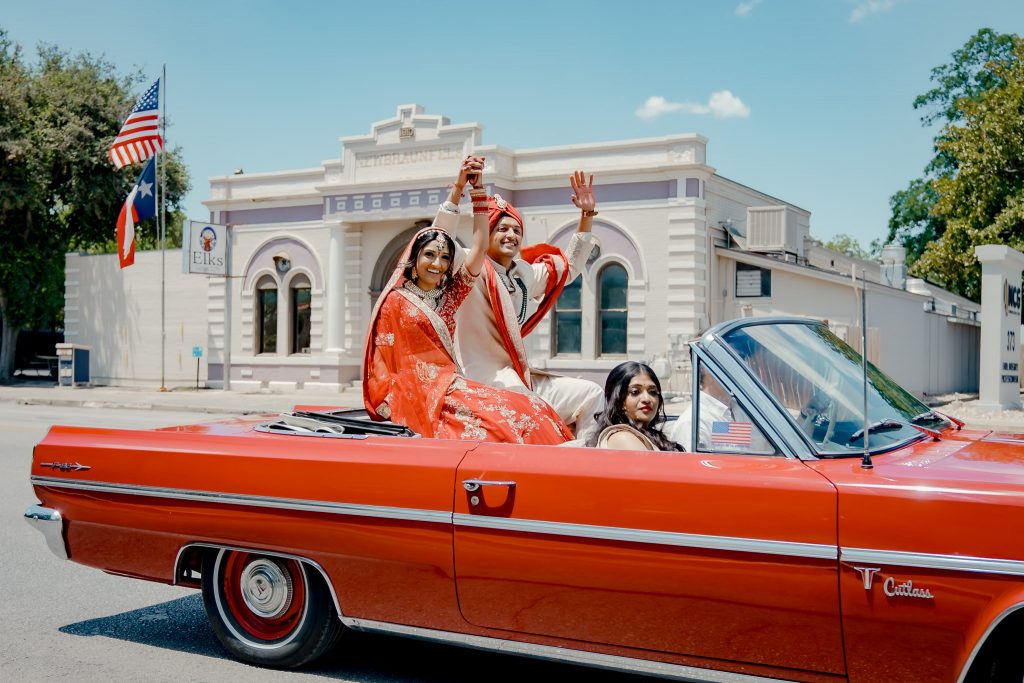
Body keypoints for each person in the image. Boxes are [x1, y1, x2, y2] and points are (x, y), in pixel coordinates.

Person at [363, 157, 571, 445]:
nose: (437, 263)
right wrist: (456, 190)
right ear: (413, 259)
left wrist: (478, 192)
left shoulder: (451, 295)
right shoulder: (395, 301)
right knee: (504, 421)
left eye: (445, 257)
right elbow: (382, 360)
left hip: (452, 385)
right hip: (416, 395)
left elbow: (480, 246)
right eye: (430, 255)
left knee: (530, 408)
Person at [433, 170, 605, 441]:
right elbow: (438, 240)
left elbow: (568, 268)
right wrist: (456, 192)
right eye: (502, 228)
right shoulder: (467, 264)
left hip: (518, 375)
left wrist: (587, 216)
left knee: (591, 394)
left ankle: (582, 462)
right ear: (486, 234)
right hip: (480, 378)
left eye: (516, 230)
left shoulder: (524, 273)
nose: (511, 235)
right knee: (532, 410)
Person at [587, 361, 685, 451]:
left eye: (652, 392)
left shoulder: (650, 435)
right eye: (635, 392)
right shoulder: (622, 437)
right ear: (618, 400)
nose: (646, 399)